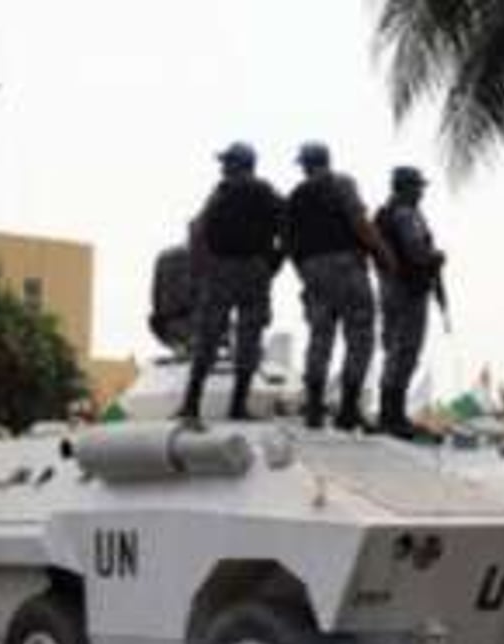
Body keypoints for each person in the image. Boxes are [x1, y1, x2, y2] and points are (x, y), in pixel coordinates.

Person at [285, 142, 396, 431]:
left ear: (306, 165)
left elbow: (289, 243)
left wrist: (306, 273)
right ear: (327, 160)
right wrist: (384, 255)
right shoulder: (341, 183)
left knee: (320, 336)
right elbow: (360, 223)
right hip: (345, 267)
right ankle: (348, 410)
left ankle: (314, 408)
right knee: (360, 335)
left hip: (312, 270)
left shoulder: (296, 196)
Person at [177, 142, 284, 421]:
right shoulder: (266, 192)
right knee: (249, 338)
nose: (223, 167)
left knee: (208, 337)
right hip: (253, 270)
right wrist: (273, 261)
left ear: (239, 164)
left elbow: (197, 230)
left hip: (222, 270)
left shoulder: (221, 192)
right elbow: (288, 226)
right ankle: (237, 405)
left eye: (227, 162)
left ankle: (191, 403)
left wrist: (199, 272)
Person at [374, 166, 446, 439]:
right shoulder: (406, 215)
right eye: (417, 187)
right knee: (405, 351)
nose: (421, 192)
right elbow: (416, 251)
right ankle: (393, 416)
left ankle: (390, 414)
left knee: (394, 349)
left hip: (390, 288)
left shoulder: (388, 213)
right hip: (407, 291)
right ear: (405, 187)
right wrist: (435, 258)